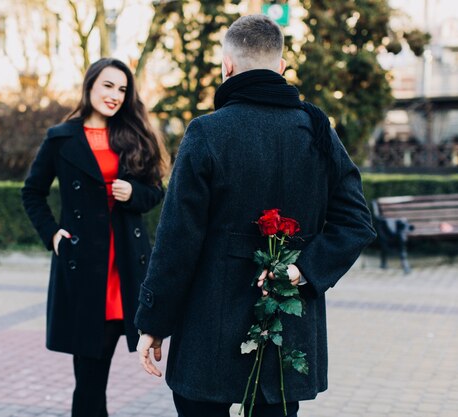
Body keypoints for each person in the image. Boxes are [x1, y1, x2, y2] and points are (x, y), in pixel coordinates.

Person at [134, 14, 376, 417]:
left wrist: (153, 322)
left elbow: (177, 242)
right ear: (281, 68)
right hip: (288, 330)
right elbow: (356, 224)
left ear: (226, 66)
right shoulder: (316, 131)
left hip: (207, 331)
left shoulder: (207, 132)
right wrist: (303, 270)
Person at [21, 58, 168, 417]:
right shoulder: (61, 138)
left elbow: (155, 192)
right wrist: (53, 234)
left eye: (122, 89)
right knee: (89, 381)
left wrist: (132, 193)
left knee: (100, 373)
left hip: (127, 269)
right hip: (85, 271)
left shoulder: (132, 136)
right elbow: (32, 192)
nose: (115, 95)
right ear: (89, 86)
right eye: (108, 86)